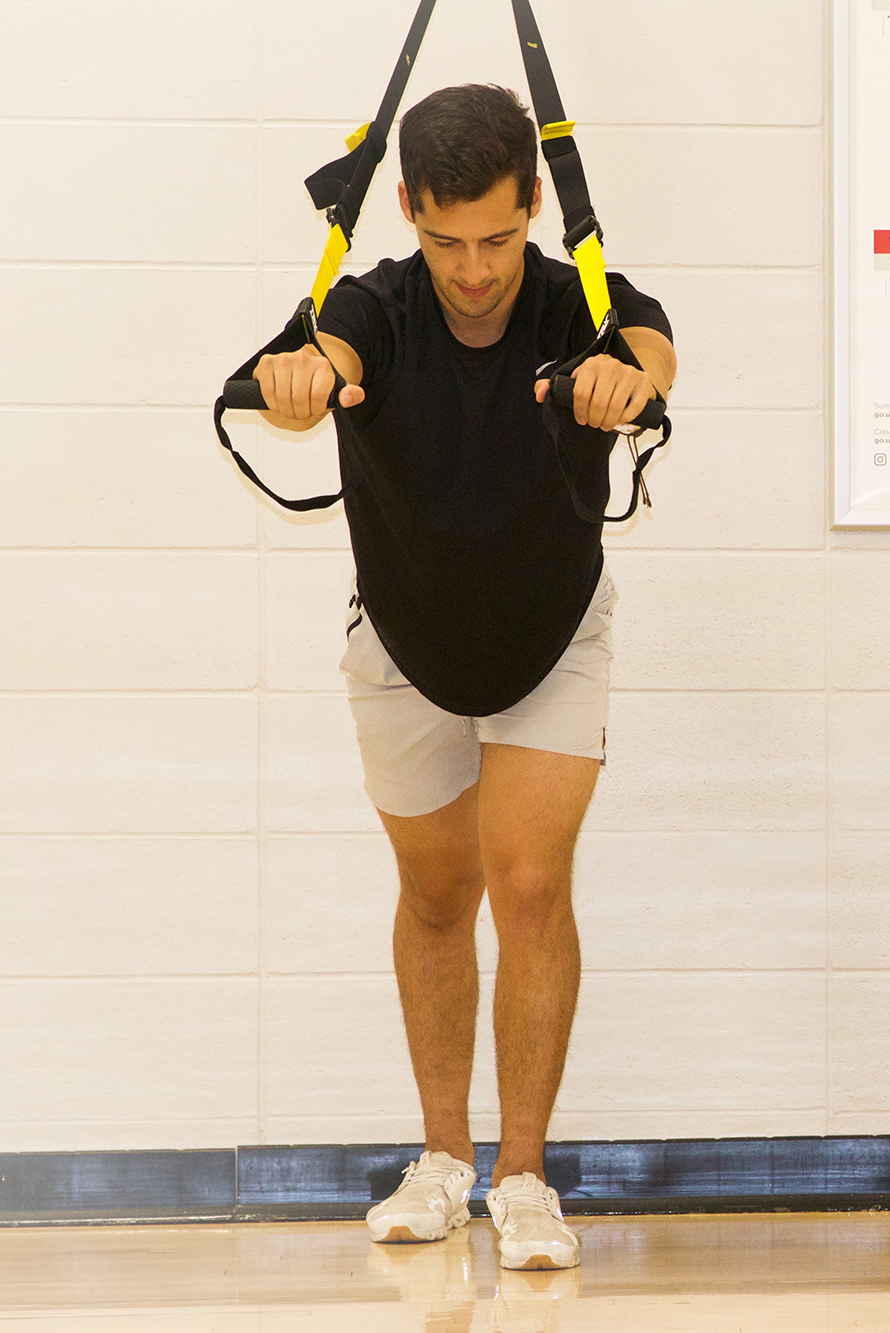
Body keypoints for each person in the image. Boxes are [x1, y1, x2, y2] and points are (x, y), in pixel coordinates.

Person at [251, 84, 676, 1271]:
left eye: (496, 238)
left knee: (530, 883)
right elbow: (319, 357)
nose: (475, 269)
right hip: (402, 636)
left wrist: (625, 378)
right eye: (447, 241)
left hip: (552, 631)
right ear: (407, 209)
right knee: (438, 895)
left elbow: (651, 343)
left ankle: (526, 1175)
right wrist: (299, 380)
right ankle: (444, 1160)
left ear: (532, 207)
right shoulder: (373, 303)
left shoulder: (574, 296)